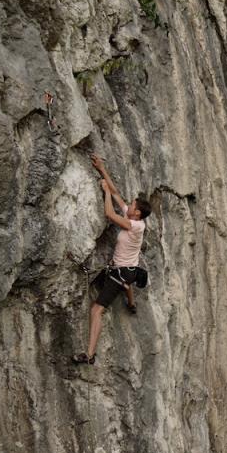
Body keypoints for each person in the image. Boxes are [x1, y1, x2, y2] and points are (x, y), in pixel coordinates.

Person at [72, 155, 151, 365]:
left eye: (132, 205)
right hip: (130, 268)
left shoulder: (134, 225)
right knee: (127, 281)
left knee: (96, 310)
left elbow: (109, 212)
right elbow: (117, 194)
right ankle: (132, 303)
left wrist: (105, 192)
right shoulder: (134, 216)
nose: (129, 205)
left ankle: (89, 355)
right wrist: (101, 168)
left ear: (137, 213)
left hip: (122, 272)